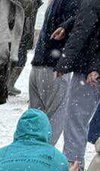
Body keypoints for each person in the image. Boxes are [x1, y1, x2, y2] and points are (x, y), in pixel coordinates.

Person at [56, 0, 100, 171]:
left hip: (89, 71)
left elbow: (84, 30)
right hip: (91, 67)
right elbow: (88, 18)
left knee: (75, 120)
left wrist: (64, 63)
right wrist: (67, 25)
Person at [28, 0, 79, 144]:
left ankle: (26, 157)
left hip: (39, 64)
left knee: (34, 120)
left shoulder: (55, 3)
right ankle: (43, 160)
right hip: (54, 68)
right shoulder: (74, 4)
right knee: (54, 120)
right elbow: (79, 27)